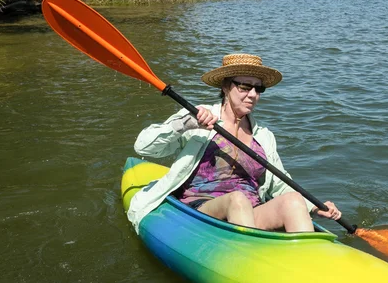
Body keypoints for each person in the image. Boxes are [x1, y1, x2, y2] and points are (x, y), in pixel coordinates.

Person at [127, 53, 341, 233]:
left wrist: (313, 207)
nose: (253, 95)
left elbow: (280, 184)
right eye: (245, 87)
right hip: (202, 208)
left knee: (293, 200)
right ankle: (251, 259)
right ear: (226, 87)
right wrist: (185, 124)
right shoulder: (199, 117)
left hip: (250, 212)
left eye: (259, 89)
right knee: (237, 199)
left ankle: (306, 262)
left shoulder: (264, 135)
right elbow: (144, 147)